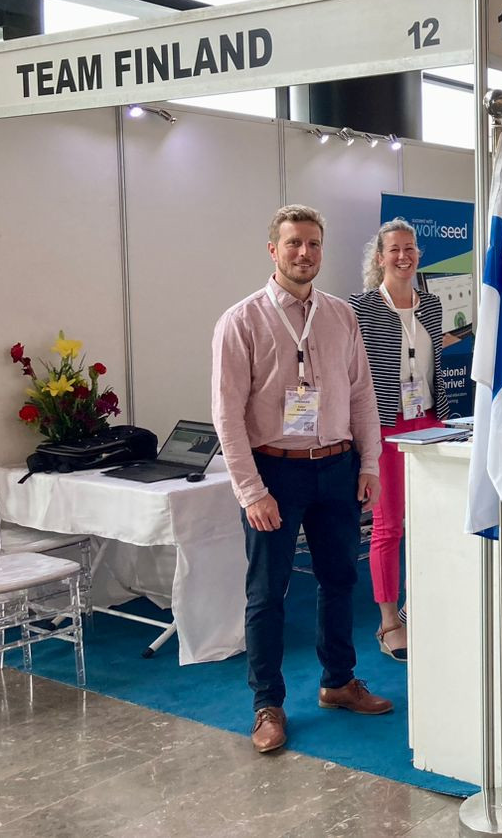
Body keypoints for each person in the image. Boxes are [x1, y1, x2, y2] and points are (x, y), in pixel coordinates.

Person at [212, 204, 391, 755]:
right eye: (293, 244)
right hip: (275, 472)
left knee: (340, 579)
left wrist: (368, 463)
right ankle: (268, 704)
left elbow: (362, 394)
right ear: (273, 250)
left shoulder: (340, 315)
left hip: (336, 466)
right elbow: (226, 414)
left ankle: (338, 681)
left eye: (313, 244)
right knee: (268, 593)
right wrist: (251, 491)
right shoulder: (240, 321)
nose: (304, 254)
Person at [348, 218, 450, 662]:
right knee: (388, 525)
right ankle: (389, 621)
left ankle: (420, 603)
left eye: (410, 249)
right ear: (379, 257)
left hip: (429, 420)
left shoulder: (431, 305)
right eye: (395, 249)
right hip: (386, 423)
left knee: (433, 519)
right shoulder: (362, 306)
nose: (404, 256)